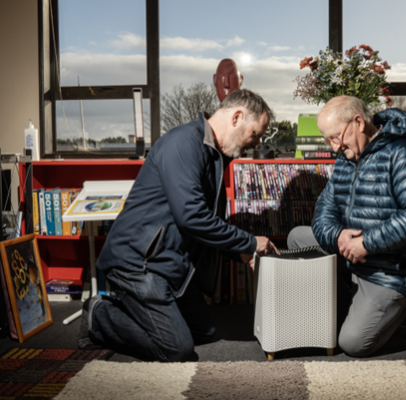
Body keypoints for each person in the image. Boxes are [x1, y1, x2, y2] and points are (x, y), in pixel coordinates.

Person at [78, 89, 278, 362]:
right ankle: (98, 314)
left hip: (170, 265)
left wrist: (238, 251)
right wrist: (251, 242)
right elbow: (192, 216)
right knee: (177, 349)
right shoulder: (183, 143)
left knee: (204, 331)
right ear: (237, 117)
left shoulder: (217, 156)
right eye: (255, 133)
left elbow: (208, 223)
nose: (256, 144)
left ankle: (144, 314)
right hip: (138, 263)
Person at [288, 95, 406, 357]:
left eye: (336, 137)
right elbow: (323, 210)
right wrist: (337, 237)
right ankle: (340, 305)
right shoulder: (346, 160)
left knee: (352, 344)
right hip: (352, 260)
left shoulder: (404, 154)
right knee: (297, 238)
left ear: (358, 122)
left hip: (393, 271)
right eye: (328, 140)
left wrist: (366, 243)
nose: (334, 147)